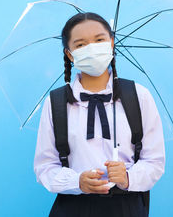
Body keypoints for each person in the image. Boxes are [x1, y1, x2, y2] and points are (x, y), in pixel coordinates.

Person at [33, 12, 165, 217]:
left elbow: (154, 161)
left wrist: (127, 177)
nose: (91, 49)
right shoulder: (56, 102)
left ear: (111, 43)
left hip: (126, 207)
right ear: (70, 54)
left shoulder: (139, 96)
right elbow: (45, 166)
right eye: (81, 44)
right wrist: (77, 182)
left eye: (99, 40)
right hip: (73, 208)